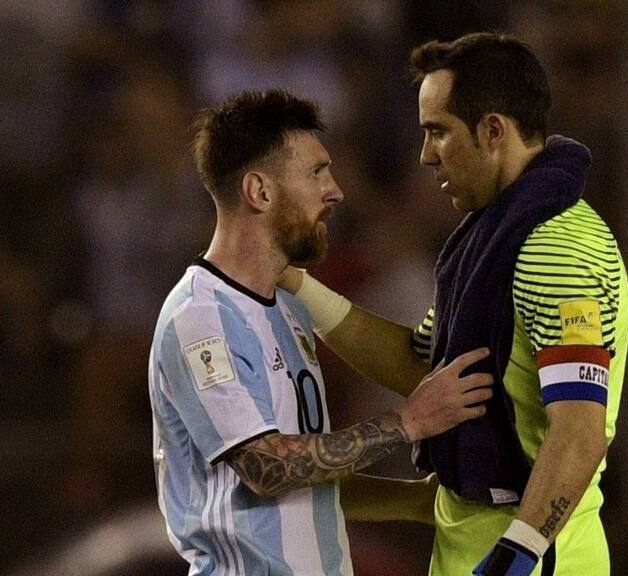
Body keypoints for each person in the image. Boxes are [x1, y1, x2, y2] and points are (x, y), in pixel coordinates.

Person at [280, 32, 628, 576]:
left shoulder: (556, 248)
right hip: (472, 542)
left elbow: (578, 430)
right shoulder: (490, 239)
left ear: (493, 131)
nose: (425, 155)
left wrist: (514, 558)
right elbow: (424, 367)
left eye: (438, 132)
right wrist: (298, 285)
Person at [147, 89, 495, 576]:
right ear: (259, 191)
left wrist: (417, 502)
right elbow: (268, 468)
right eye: (316, 173)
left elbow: (309, 473)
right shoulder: (201, 317)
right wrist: (410, 420)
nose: (336, 191)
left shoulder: (288, 310)